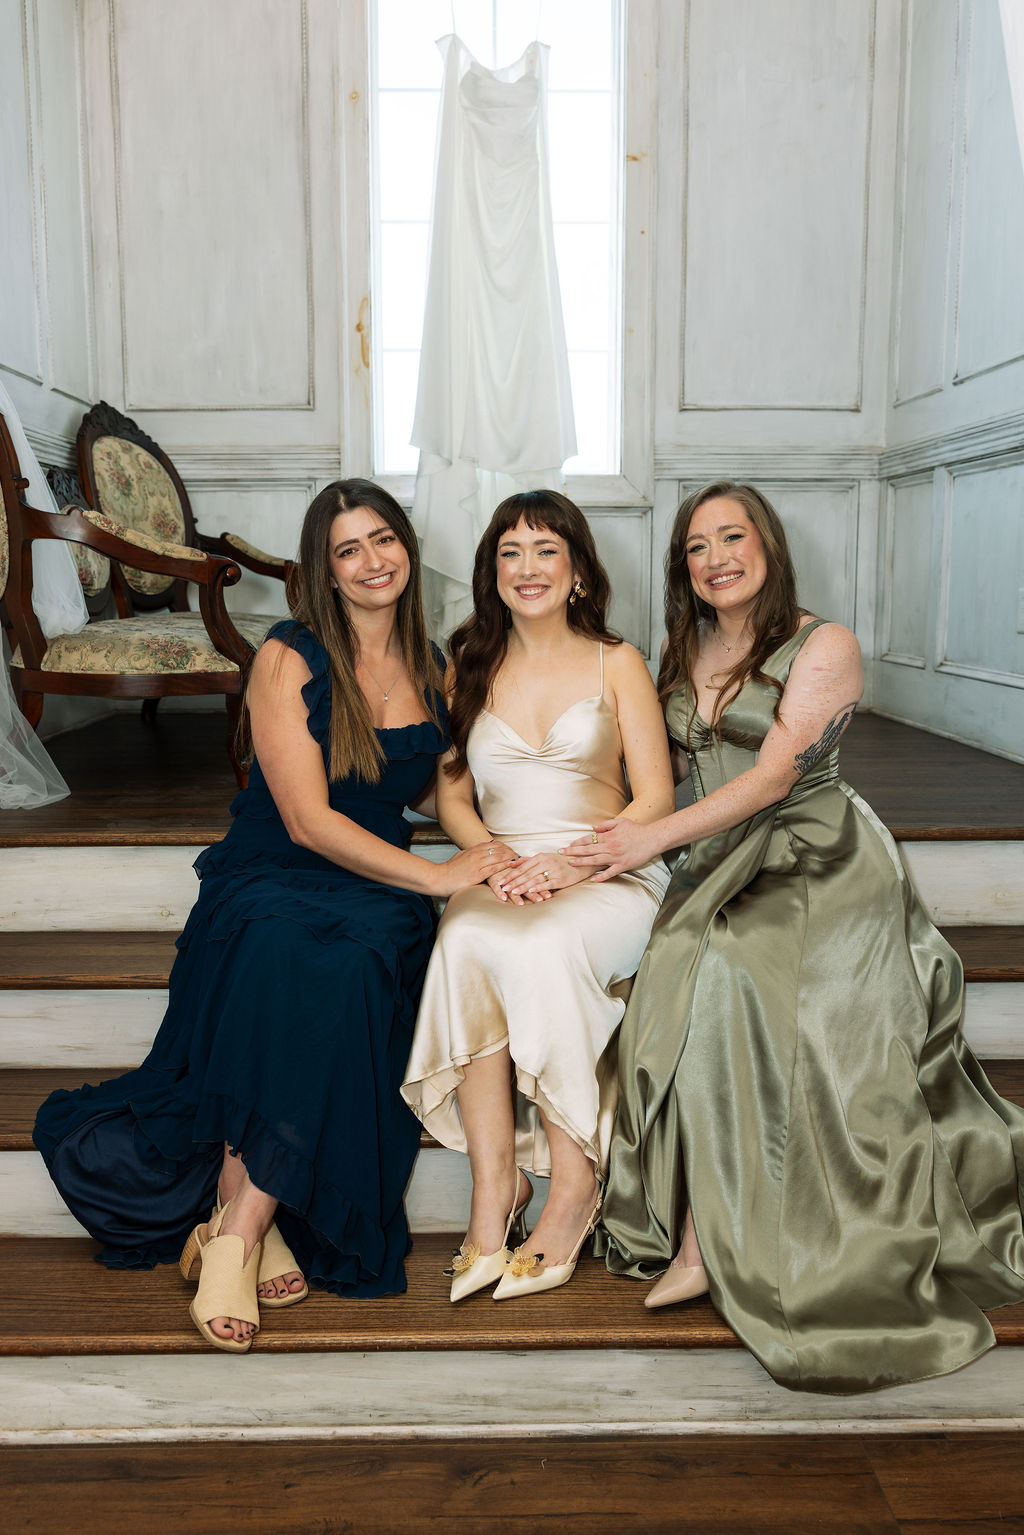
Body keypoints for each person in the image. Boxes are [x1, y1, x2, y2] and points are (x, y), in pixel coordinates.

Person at [33, 480, 515, 1353]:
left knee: (363, 959)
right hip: (276, 866)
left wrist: (489, 854)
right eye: (347, 550)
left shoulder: (437, 663)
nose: (372, 562)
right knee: (290, 955)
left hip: (375, 882)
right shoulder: (288, 655)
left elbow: (447, 791)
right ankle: (244, 1234)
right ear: (323, 572)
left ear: (407, 546)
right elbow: (305, 819)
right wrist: (438, 882)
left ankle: (233, 1217)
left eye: (383, 540)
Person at [565, 480, 1024, 1394]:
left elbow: (775, 777)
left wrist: (649, 841)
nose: (715, 558)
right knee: (673, 965)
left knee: (733, 968)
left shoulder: (827, 645)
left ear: (768, 546)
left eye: (733, 537)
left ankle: (708, 1241)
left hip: (820, 857)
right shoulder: (687, 641)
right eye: (697, 546)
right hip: (720, 851)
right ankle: (697, 1224)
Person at [402, 490, 674, 1302]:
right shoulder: (469, 661)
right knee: (464, 939)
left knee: (543, 942)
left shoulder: (618, 661)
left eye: (546, 550)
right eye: (510, 553)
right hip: (500, 865)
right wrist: (487, 856)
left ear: (579, 570)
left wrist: (573, 864)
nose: (528, 568)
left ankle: (572, 1184)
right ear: (492, 573)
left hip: (608, 869)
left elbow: (654, 800)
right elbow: (452, 796)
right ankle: (495, 1191)